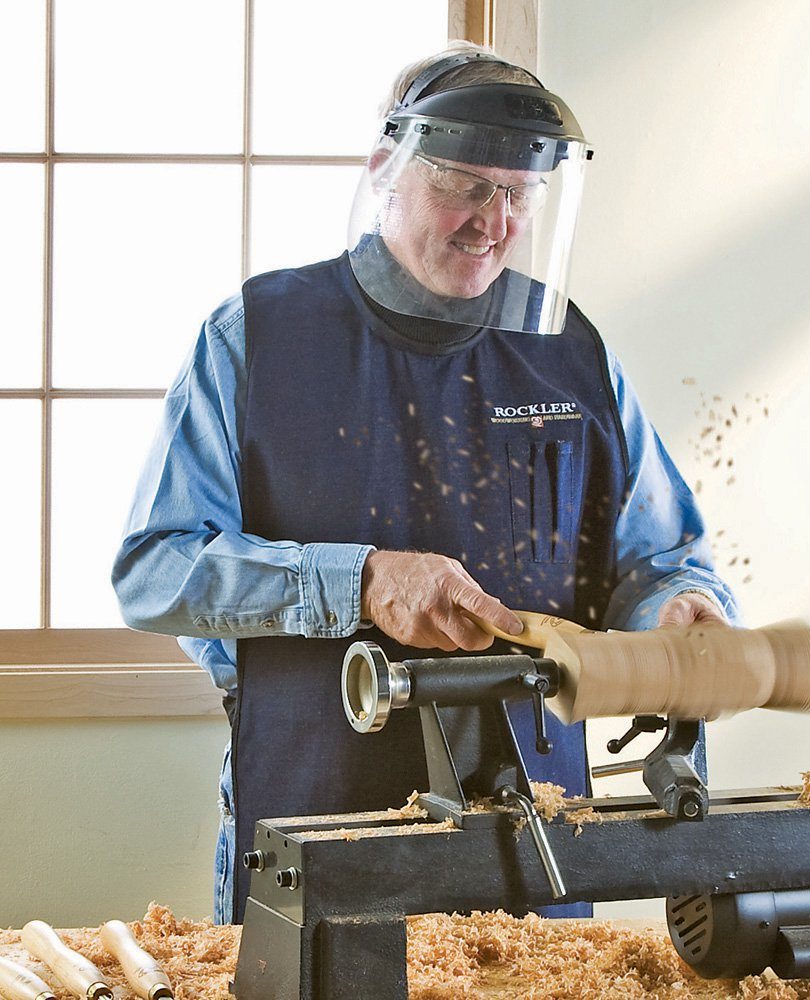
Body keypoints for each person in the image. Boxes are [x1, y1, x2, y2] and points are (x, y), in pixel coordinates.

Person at [112, 42, 738, 926]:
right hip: (315, 812)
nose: (494, 220)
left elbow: (657, 561)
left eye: (519, 194)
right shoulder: (256, 336)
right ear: (385, 170)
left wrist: (674, 614)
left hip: (536, 832)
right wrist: (361, 581)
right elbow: (154, 571)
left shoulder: (574, 354)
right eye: (466, 185)